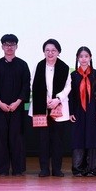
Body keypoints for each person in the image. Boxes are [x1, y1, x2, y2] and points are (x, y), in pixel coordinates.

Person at [0, 33, 31, 176]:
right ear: (2, 47)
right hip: (0, 108)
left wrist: (17, 102)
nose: (9, 47)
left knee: (17, 138)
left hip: (17, 108)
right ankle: (2, 169)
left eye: (12, 44)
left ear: (16, 46)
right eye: (6, 45)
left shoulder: (22, 65)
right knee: (1, 139)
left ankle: (18, 169)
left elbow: (26, 86)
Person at [30, 39, 71, 177]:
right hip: (42, 106)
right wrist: (45, 99)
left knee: (57, 140)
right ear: (44, 52)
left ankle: (57, 169)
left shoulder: (64, 67)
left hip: (58, 106)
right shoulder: (39, 66)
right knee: (43, 140)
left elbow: (68, 87)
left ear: (58, 52)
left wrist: (57, 99)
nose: (50, 53)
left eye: (53, 50)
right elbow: (33, 84)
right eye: (47, 50)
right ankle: (44, 169)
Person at [69, 46, 96, 177]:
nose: (83, 59)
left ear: (90, 57)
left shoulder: (95, 74)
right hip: (78, 110)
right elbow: (71, 96)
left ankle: (92, 168)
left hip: (92, 109)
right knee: (78, 137)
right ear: (77, 58)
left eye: (86, 56)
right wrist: (71, 112)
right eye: (81, 56)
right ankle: (78, 168)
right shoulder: (73, 75)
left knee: (92, 137)